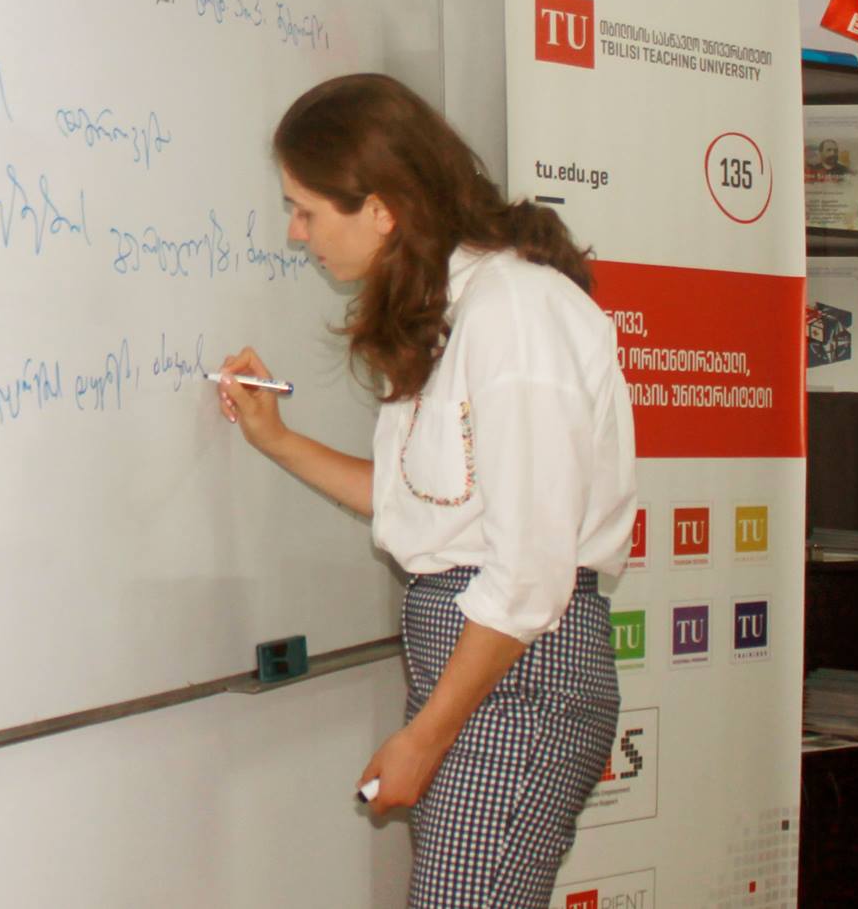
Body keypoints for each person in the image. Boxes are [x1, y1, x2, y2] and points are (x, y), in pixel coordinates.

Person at [218, 73, 636, 909]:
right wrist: (277, 439)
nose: (296, 232)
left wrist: (424, 736)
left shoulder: (514, 311)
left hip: (518, 682)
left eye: (306, 209)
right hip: (478, 677)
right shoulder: (449, 310)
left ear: (380, 208)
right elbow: (424, 503)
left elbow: (528, 574)